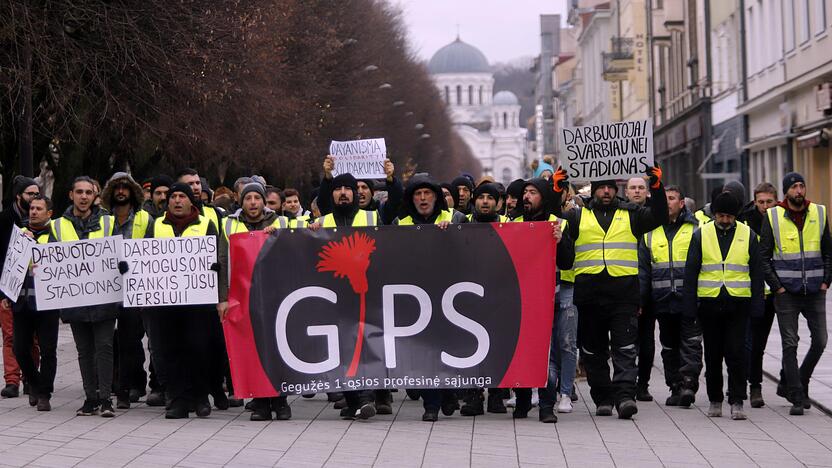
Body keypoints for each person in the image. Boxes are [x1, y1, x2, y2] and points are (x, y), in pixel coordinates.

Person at [555, 165, 668, 419]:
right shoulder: (577, 217)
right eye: (601, 188)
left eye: (610, 188)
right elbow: (553, 217)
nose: (605, 192)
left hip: (623, 295)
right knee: (593, 351)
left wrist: (657, 188)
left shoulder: (633, 214)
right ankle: (603, 398)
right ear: (594, 191)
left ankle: (625, 397)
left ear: (616, 191)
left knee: (625, 348)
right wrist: (557, 188)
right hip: (589, 295)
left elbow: (660, 216)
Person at [142, 183, 227, 419]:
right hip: (165, 304)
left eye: (182, 196)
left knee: (199, 350)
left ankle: (200, 397)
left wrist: (219, 289)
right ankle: (178, 400)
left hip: (199, 304)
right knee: (170, 351)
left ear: (191, 202)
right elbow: (144, 258)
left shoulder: (206, 225)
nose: (177, 200)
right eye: (173, 196)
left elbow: (219, 258)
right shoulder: (156, 225)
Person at [683, 192, 764, 420]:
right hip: (709, 303)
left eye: (729, 216)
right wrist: (689, 307)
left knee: (737, 353)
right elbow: (690, 272)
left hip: (739, 303)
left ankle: (737, 400)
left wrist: (758, 305)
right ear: (714, 214)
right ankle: (715, 399)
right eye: (721, 215)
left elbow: (757, 273)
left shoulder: (748, 235)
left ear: (735, 215)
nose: (725, 220)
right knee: (713, 354)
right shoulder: (702, 234)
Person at [394, 174, 466, 421]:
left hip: (448, 297)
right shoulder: (400, 223)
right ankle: (431, 404)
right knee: (423, 352)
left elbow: (471, 249)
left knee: (447, 349)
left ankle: (447, 392)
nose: (423, 198)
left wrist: (453, 233)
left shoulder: (455, 219)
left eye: (427, 193)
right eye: (417, 194)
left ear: (436, 197)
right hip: (415, 300)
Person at [218, 182, 292, 421]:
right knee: (252, 349)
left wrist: (279, 238)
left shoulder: (280, 222)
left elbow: (295, 249)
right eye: (248, 198)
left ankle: (281, 401)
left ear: (263, 201)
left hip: (276, 297)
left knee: (277, 347)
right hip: (243, 298)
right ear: (241, 202)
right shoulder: (229, 224)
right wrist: (222, 299)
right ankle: (259, 401)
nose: (252, 203)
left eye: (257, 198)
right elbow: (222, 263)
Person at [759, 172, 831, 415]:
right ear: (786, 191)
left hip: (814, 290)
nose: (799, 191)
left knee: (821, 341)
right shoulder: (773, 216)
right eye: (795, 187)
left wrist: (825, 282)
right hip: (786, 291)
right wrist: (777, 286)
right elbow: (764, 256)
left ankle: (801, 378)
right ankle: (797, 395)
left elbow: (828, 250)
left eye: (802, 186)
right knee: (790, 343)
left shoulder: (819, 213)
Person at [49, 176, 118, 417]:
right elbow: (48, 260)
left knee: (105, 347)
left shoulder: (109, 223)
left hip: (103, 298)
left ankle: (106, 398)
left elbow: (119, 255)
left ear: (95, 196)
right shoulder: (57, 225)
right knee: (84, 350)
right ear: (71, 195)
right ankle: (90, 398)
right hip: (74, 299)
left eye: (88, 192)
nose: (84, 196)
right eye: (79, 191)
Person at [511, 178, 574, 423]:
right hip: (518, 299)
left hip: (548, 298)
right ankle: (523, 399)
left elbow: (568, 262)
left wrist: (560, 241)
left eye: (533, 192)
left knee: (547, 353)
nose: (526, 196)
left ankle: (547, 404)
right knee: (520, 349)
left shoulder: (557, 224)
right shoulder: (512, 222)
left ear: (544, 197)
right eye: (525, 192)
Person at [639, 185, 703, 408]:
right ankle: (675, 386)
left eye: (672, 198)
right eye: (664, 199)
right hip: (663, 300)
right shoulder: (650, 233)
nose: (668, 203)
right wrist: (642, 301)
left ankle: (688, 383)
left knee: (692, 344)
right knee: (668, 346)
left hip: (689, 299)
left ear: (682, 203)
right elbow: (644, 271)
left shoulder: (696, 230)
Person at [100, 173, 154, 410]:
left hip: (134, 289)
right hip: (105, 287)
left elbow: (153, 253)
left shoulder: (145, 219)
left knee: (130, 340)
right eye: (117, 188)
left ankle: (128, 387)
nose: (121, 191)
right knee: (108, 341)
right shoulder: (101, 219)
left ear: (133, 192)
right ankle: (112, 385)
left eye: (125, 187)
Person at [458, 183, 510, 418]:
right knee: (471, 346)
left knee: (499, 345)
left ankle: (498, 394)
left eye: (491, 198)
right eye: (481, 198)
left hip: (500, 295)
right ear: (474, 201)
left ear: (498, 203)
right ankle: (473, 396)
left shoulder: (509, 226)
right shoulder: (462, 225)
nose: (486, 202)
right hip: (468, 297)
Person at [13, 195, 57, 411]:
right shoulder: (19, 234)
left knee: (49, 350)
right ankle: (35, 382)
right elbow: (8, 265)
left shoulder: (56, 236)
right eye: (31, 208)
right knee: (20, 347)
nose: (33, 212)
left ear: (49, 213)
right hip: (23, 301)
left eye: (39, 208)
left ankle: (44, 394)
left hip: (47, 304)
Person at [0, 176, 40, 399]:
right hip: (8, 288)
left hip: (34, 290)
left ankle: (31, 377)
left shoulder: (42, 221)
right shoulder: (4, 220)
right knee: (10, 337)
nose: (34, 198)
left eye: (37, 194)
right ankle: (12, 380)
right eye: (30, 194)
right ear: (19, 196)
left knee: (32, 338)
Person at [745, 182, 778, 408]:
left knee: (763, 343)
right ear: (754, 201)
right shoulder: (745, 221)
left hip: (777, 290)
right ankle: (753, 386)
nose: (765, 206)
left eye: (769, 202)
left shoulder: (781, 219)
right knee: (750, 342)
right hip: (751, 291)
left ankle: (789, 383)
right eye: (761, 202)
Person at [626, 176, 655, 401]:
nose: (637, 192)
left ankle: (642, 384)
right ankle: (626, 382)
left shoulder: (654, 217)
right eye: (633, 188)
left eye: (641, 188)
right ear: (626, 192)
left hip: (651, 290)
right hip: (624, 286)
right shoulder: (621, 216)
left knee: (646, 341)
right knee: (625, 341)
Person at [318, 156, 403, 225]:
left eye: (364, 187)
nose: (360, 191)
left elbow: (396, 200)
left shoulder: (381, 212)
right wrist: (328, 177)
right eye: (356, 188)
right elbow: (323, 201)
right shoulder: (335, 212)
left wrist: (391, 180)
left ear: (372, 192)